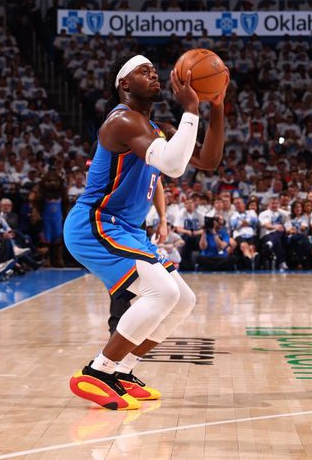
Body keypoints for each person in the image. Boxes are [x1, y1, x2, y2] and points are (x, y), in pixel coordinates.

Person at [63, 54, 227, 410]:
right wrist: (191, 110)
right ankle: (97, 371)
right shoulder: (121, 121)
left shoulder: (157, 128)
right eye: (144, 71)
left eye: (155, 70)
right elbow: (172, 165)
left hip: (126, 229)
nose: (154, 74)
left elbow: (210, 161)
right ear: (124, 84)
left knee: (183, 300)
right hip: (95, 223)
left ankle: (122, 371)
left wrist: (217, 107)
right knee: (163, 292)